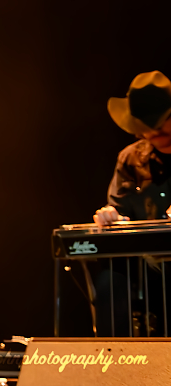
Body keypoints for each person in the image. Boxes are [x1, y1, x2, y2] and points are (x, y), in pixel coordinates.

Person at [90, 71, 171, 336]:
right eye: (147, 125)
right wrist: (111, 217)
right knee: (110, 279)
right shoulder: (129, 159)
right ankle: (116, 362)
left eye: (163, 121)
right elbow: (120, 212)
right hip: (147, 273)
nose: (156, 131)